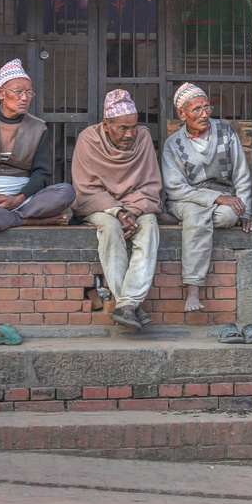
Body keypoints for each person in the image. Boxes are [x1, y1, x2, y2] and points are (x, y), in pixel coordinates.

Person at [73, 89, 163, 331]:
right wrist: (118, 212)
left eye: (133, 127)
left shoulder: (143, 137)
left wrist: (132, 211)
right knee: (110, 227)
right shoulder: (88, 139)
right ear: (106, 124)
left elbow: (151, 185)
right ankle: (130, 304)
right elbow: (85, 189)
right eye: (123, 128)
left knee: (150, 225)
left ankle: (126, 304)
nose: (130, 133)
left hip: (136, 205)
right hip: (99, 204)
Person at [162, 82, 252, 314]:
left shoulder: (224, 130)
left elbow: (241, 173)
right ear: (181, 114)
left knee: (229, 215)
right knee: (195, 212)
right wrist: (216, 198)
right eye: (197, 110)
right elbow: (175, 189)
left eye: (207, 108)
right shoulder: (173, 144)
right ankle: (193, 286)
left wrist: (246, 212)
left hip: (224, 200)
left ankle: (184, 223)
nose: (204, 114)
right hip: (186, 200)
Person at [0, 59, 75, 231]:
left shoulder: (38, 127)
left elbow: (42, 173)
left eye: (29, 93)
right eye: (18, 92)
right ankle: (29, 221)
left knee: (66, 192)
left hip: (24, 198)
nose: (24, 98)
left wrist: (18, 199)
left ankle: (8, 217)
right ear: (1, 93)